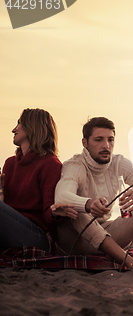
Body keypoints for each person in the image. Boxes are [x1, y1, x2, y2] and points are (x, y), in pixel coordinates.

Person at [54, 117, 133, 273]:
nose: (106, 146)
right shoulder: (75, 165)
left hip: (105, 238)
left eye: (110, 140)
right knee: (78, 212)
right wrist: (89, 204)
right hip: (74, 242)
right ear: (85, 143)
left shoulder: (118, 163)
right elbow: (61, 196)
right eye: (98, 140)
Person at [0, 108, 77, 253]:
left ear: (32, 127)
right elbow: (6, 210)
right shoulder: (9, 163)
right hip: (10, 232)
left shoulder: (50, 164)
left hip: (38, 236)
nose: (13, 129)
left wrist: (55, 212)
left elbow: (49, 215)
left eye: (19, 123)